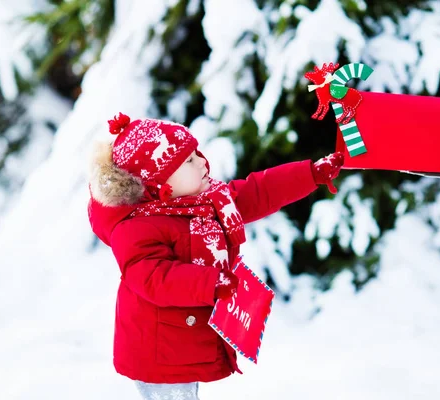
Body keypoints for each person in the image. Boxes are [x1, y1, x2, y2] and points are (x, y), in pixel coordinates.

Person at [87, 112, 344, 400]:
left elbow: (260, 192)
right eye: (188, 161)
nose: (202, 162)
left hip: (180, 343)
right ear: (159, 183)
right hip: (155, 353)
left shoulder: (207, 203)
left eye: (197, 153)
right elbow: (153, 277)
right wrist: (209, 283)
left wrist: (310, 175)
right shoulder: (135, 229)